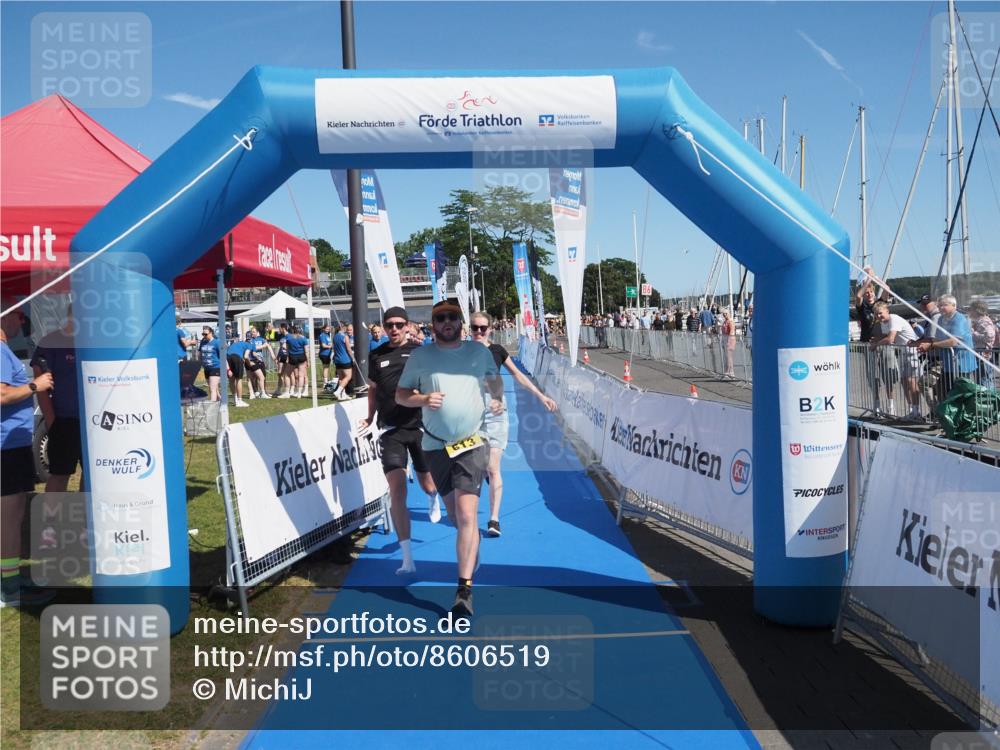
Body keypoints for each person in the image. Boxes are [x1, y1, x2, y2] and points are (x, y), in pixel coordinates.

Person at [396, 299, 503, 617]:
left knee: (468, 516)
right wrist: (423, 398)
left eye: (452, 317)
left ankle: (463, 591)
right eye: (441, 318)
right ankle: (471, 550)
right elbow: (401, 395)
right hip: (435, 445)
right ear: (432, 325)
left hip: (473, 442)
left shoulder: (478, 352)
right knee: (456, 518)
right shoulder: (420, 356)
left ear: (461, 323)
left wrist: (496, 398)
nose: (447, 322)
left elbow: (494, 379)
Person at [358, 307, 439, 574]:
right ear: (383, 326)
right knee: (397, 489)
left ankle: (433, 495)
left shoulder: (418, 352)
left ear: (407, 326)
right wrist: (369, 418)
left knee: (428, 483)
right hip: (390, 429)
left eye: (399, 324)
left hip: (419, 427)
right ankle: (407, 558)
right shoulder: (376, 354)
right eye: (389, 324)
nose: (393, 329)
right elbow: (373, 391)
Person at [470, 311, 556, 537]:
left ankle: (494, 519)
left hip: (496, 410)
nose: (478, 332)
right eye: (474, 328)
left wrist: (541, 396)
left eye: (483, 328)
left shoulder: (497, 351)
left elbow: (518, 375)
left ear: (490, 329)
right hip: (470, 414)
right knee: (476, 466)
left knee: (492, 467)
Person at [1, 300, 55, 607]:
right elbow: (2, 394)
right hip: (6, 446)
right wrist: (36, 385)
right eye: (19, 314)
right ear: (5, 316)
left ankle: (10, 579)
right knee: (9, 517)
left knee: (13, 513)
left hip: (13, 444)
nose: (22, 321)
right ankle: (8, 588)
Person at [916, 294, 977, 406]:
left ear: (954, 305)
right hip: (948, 363)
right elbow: (937, 338)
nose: (941, 308)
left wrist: (931, 346)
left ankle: (959, 419)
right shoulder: (941, 319)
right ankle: (943, 416)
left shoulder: (959, 319)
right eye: (939, 306)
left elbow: (953, 341)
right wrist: (921, 343)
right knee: (942, 390)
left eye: (944, 305)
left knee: (960, 393)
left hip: (962, 363)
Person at [870, 301, 923, 422]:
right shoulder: (884, 322)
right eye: (876, 314)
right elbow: (886, 336)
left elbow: (890, 339)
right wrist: (876, 339)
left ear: (887, 311)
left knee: (911, 381)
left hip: (913, 350)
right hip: (903, 351)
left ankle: (916, 412)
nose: (878, 316)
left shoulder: (894, 319)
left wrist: (876, 344)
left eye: (880, 313)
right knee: (904, 382)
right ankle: (912, 410)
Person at [968, 299, 997, 386]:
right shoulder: (981, 321)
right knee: (982, 377)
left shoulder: (984, 321)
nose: (970, 312)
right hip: (981, 352)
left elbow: (989, 335)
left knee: (984, 378)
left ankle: (988, 398)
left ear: (977, 310)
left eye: (971, 309)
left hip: (983, 353)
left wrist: (973, 333)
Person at [226, 334, 251, 407]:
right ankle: (240, 400)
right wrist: (249, 364)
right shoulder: (249, 345)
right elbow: (246, 356)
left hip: (228, 357)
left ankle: (235, 399)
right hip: (237, 358)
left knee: (231, 380)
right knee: (239, 379)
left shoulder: (236, 343)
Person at [245, 328, 271, 399]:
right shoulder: (252, 342)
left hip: (247, 361)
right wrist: (258, 357)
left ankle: (253, 393)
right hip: (254, 361)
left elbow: (267, 344)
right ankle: (260, 392)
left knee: (251, 378)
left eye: (254, 332)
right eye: (252, 332)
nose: (253, 333)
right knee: (260, 377)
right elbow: (253, 352)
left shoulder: (246, 342)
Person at [284, 325, 309, 398]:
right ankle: (299, 393)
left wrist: (288, 358)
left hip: (292, 357)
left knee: (287, 375)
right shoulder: (303, 339)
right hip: (301, 357)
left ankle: (287, 392)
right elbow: (306, 351)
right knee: (301, 375)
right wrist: (308, 361)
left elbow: (287, 350)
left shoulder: (289, 338)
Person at [331, 323, 354, 400]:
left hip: (337, 359)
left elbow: (334, 349)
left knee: (341, 378)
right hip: (345, 359)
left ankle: (343, 394)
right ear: (343, 328)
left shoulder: (334, 337)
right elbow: (348, 349)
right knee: (348, 376)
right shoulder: (345, 336)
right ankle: (338, 391)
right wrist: (353, 358)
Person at [199, 326, 222, 401]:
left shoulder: (217, 342)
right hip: (206, 368)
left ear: (211, 333)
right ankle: (220, 401)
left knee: (212, 389)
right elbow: (200, 353)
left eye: (206, 334)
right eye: (203, 334)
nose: (204, 336)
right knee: (212, 388)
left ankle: (212, 408)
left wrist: (227, 369)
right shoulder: (203, 342)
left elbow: (222, 356)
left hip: (215, 367)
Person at [720, 309, 737, 379]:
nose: (725, 315)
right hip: (724, 338)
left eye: (726, 313)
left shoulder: (731, 321)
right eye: (723, 314)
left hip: (730, 339)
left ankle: (731, 372)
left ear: (729, 313)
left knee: (729, 357)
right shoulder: (725, 321)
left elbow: (732, 332)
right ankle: (727, 371)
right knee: (726, 357)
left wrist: (728, 342)